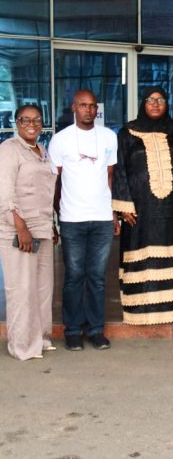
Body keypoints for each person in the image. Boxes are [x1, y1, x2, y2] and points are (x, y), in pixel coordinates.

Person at [112, 87, 173, 325]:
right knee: (142, 251)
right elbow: (119, 170)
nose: (155, 104)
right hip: (139, 209)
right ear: (143, 103)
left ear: (167, 104)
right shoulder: (127, 132)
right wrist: (123, 205)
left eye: (160, 100)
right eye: (150, 100)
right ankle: (142, 311)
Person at [48, 90, 119, 351]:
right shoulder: (60, 140)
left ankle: (97, 330)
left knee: (97, 277)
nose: (88, 110)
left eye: (91, 106)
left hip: (101, 218)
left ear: (96, 109)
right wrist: (58, 214)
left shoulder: (109, 137)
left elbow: (109, 177)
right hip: (72, 219)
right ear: (73, 108)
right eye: (82, 105)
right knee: (74, 276)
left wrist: (112, 213)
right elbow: (55, 182)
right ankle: (73, 330)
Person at [0, 106, 57, 360]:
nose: (32, 124)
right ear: (17, 122)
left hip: (42, 228)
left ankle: (40, 339)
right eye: (25, 120)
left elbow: (45, 191)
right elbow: (4, 193)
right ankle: (22, 346)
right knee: (21, 290)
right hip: (18, 231)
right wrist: (21, 227)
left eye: (37, 120)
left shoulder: (42, 150)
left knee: (42, 288)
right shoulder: (9, 150)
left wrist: (51, 225)